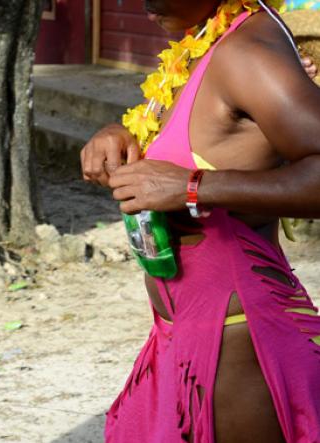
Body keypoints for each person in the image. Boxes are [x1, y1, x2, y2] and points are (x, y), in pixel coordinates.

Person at [81, 1, 320, 442]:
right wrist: (121, 135)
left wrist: (194, 188)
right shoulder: (204, 41)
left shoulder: (245, 53)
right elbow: (214, 140)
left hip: (241, 348)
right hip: (177, 335)